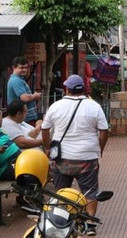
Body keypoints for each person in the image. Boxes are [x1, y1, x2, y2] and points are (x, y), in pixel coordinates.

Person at [41, 74, 109, 235]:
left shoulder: (56, 106)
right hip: (87, 158)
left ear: (67, 89)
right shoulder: (94, 106)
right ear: (83, 89)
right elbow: (104, 130)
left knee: (61, 192)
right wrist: (100, 148)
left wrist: (47, 148)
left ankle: (60, 222)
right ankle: (90, 223)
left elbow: (45, 129)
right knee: (90, 192)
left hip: (61, 159)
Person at [7, 57, 41, 126]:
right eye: (21, 68)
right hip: (25, 120)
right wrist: (35, 96)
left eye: (26, 68)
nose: (24, 70)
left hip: (26, 118)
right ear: (14, 68)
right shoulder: (16, 80)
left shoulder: (19, 79)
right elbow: (25, 98)